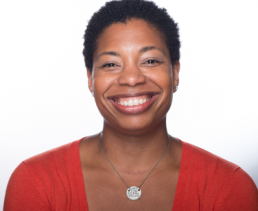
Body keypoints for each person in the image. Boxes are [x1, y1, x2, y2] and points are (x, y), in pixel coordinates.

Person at [4, 0, 258, 210]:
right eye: (111, 64)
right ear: (90, 79)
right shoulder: (35, 182)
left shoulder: (229, 187)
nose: (132, 78)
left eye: (149, 61)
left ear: (175, 73)